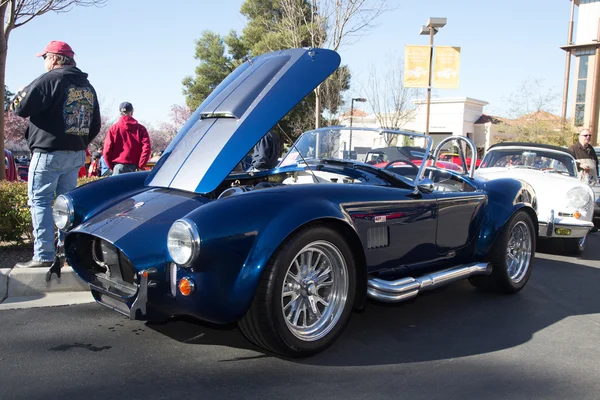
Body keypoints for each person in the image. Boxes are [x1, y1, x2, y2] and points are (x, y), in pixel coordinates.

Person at [11, 40, 101, 268]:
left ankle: (44, 255)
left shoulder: (50, 79)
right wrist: (79, 141)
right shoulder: (87, 86)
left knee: (40, 201)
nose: (44, 62)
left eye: (45, 57)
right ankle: (66, 254)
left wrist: (21, 92)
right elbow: (96, 124)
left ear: (54, 58)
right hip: (75, 153)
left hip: (48, 153)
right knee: (66, 205)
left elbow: (20, 108)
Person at [103, 102, 151, 175]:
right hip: (135, 168)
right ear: (132, 112)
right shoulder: (141, 129)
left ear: (120, 113)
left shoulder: (114, 128)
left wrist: (111, 166)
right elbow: (146, 148)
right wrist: (141, 165)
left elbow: (107, 150)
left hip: (118, 167)